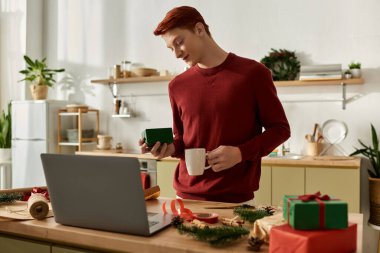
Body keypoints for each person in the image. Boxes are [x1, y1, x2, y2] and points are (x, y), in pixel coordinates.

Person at [139, 6, 290, 203]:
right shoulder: (177, 85)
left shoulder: (253, 74)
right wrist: (169, 149)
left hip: (236, 201)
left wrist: (240, 153)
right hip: (185, 198)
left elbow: (280, 129)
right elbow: (183, 140)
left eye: (179, 42)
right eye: (171, 48)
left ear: (199, 29)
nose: (176, 54)